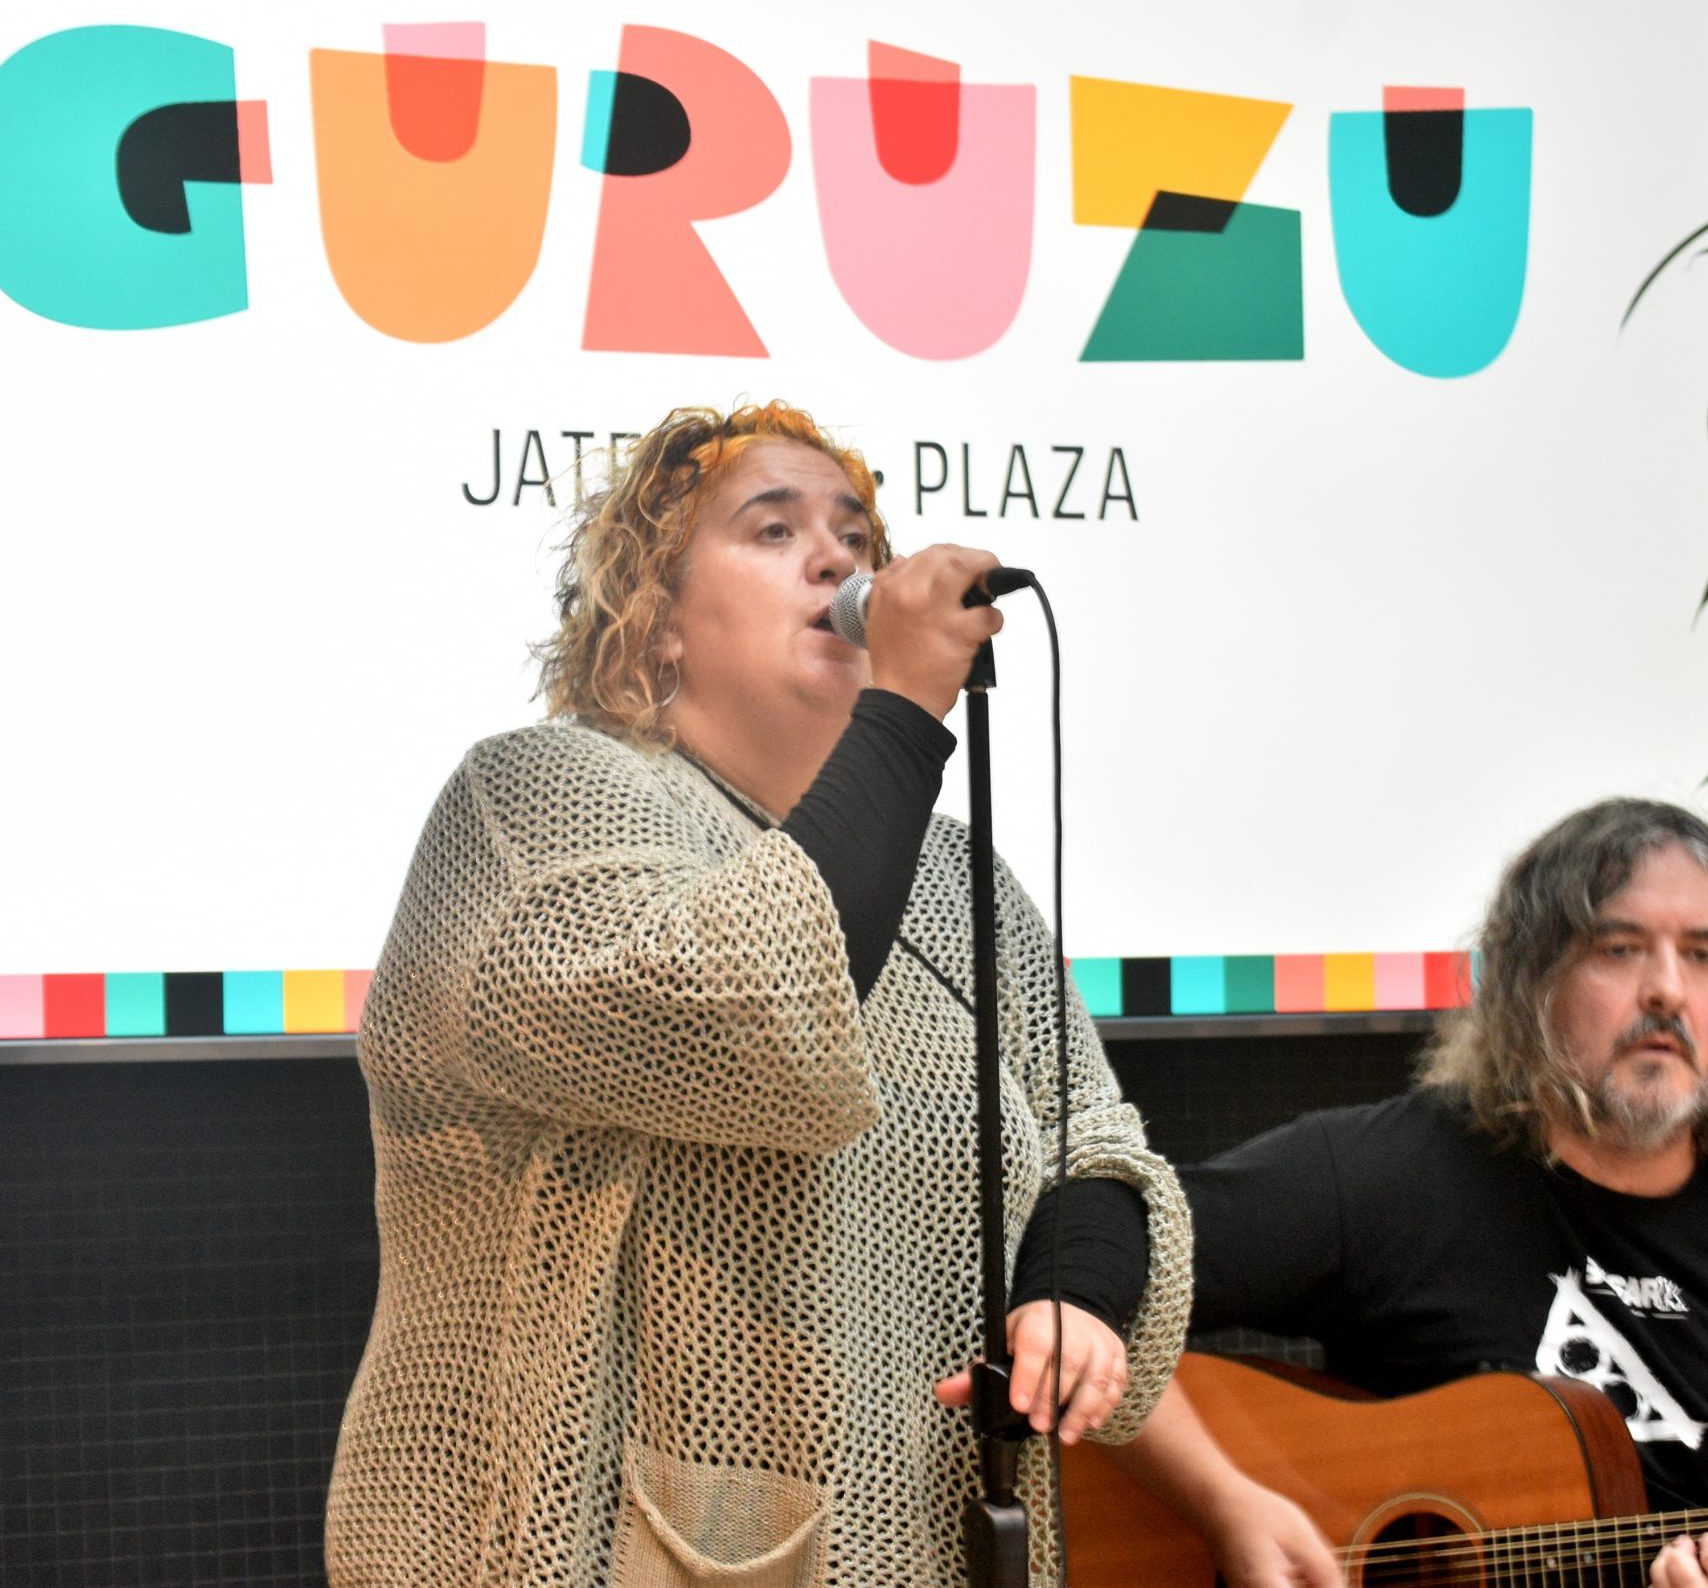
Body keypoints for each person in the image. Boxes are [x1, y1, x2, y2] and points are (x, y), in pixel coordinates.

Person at [324, 402, 1191, 1587]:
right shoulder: (531, 796)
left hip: (929, 1542)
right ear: (657, 623)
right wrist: (904, 712)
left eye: (854, 535)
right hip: (585, 1548)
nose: (834, 559)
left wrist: (1074, 1297)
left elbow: (1096, 1145)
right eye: (773, 530)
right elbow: (739, 1014)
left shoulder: (960, 877)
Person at [1109, 798, 1708, 1588]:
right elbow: (1078, 1268)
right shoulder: (1389, 1174)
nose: (1667, 989)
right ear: (1530, 982)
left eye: (1702, 954)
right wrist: (1223, 1502)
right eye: (1620, 949)